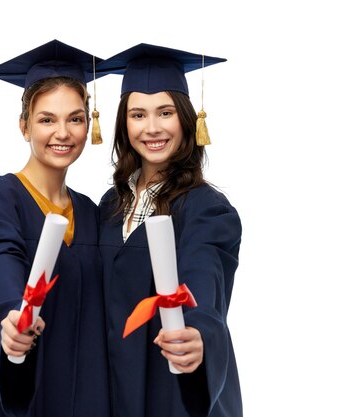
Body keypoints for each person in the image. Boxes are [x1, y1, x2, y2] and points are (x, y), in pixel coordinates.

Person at [0, 39, 110, 417]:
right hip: (11, 395)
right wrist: (12, 317)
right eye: (47, 119)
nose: (62, 133)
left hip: (77, 397)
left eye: (75, 118)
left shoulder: (94, 214)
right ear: (24, 126)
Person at [96, 44, 243, 417]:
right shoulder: (109, 207)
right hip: (114, 388)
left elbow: (204, 277)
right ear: (123, 124)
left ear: (187, 119)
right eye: (138, 114)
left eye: (165, 112)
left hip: (169, 386)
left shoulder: (206, 209)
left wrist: (197, 333)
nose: (152, 128)